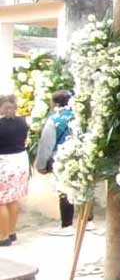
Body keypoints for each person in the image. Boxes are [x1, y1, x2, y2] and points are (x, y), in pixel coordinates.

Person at [34, 90, 84, 235]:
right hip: (81, 155)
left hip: (62, 158)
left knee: (64, 190)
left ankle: (67, 225)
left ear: (55, 103)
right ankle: (88, 221)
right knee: (83, 186)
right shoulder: (79, 115)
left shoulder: (55, 119)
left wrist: (41, 165)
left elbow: (46, 144)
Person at [0, 95, 30, 246]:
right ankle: (11, 232)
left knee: (1, 202)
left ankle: (2, 236)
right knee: (13, 198)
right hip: (20, 161)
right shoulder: (22, 121)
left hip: (3, 162)